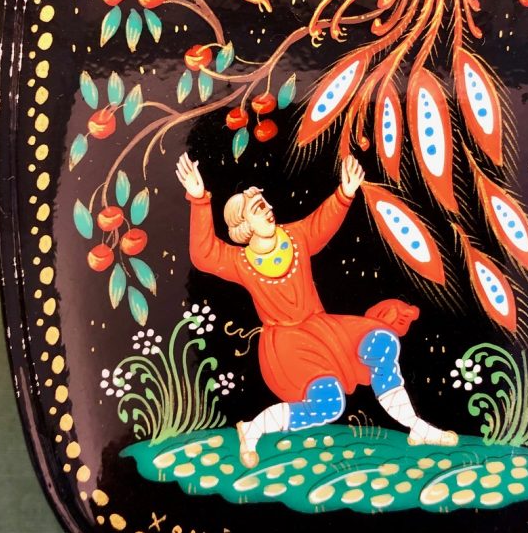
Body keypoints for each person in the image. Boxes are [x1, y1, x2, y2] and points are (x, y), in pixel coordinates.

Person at [176, 152, 457, 466]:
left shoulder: (294, 237)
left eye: (265, 204)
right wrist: (199, 199)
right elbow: (203, 254)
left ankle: (417, 427)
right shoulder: (240, 262)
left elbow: (322, 223)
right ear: (245, 226)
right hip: (289, 347)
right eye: (258, 209)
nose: (268, 209)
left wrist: (345, 192)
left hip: (324, 329)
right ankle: (253, 429)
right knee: (329, 405)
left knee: (381, 343)